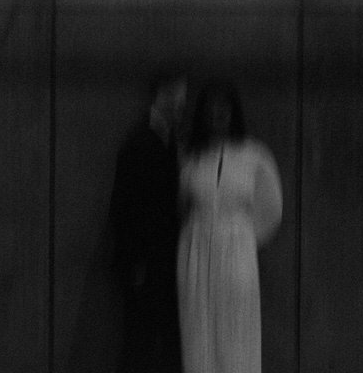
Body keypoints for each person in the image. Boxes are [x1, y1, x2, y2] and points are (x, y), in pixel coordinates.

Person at [177, 80, 282, 373]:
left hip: (237, 251)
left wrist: (241, 240)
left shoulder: (254, 155)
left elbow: (271, 209)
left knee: (237, 326)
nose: (217, 116)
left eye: (224, 110)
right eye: (211, 111)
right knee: (199, 326)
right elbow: (182, 204)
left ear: (234, 113)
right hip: (196, 251)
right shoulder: (191, 157)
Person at [108, 72, 189, 373]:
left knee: (156, 339)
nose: (181, 104)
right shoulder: (141, 141)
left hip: (162, 257)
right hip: (147, 259)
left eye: (183, 98)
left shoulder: (168, 138)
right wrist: (133, 261)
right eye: (176, 97)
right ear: (161, 95)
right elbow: (126, 206)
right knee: (141, 340)